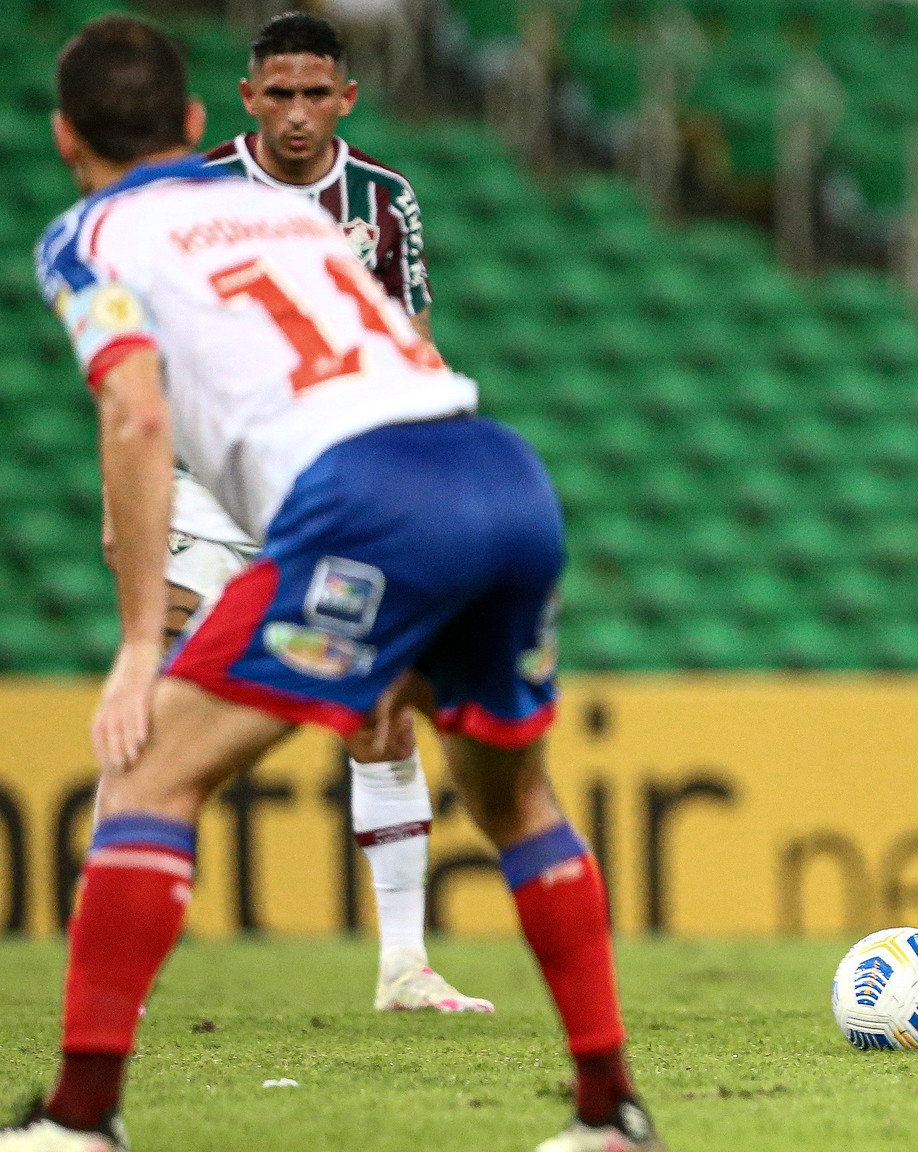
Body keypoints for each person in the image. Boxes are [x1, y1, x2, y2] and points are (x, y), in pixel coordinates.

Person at [7, 16, 660, 1151]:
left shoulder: (89, 233)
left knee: (151, 772)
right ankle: (611, 1110)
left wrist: (129, 645)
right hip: (497, 472)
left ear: (66, 139)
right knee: (514, 801)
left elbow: (135, 409)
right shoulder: (289, 209)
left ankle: (79, 1119)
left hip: (364, 500)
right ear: (209, 120)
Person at [154, 9, 483, 1014]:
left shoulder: (382, 200)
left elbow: (409, 341)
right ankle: (131, 947)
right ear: (249, 98)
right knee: (167, 716)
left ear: (346, 97)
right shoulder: (195, 190)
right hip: (210, 482)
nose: (297, 115)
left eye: (315, 94)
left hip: (330, 486)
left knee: (376, 716)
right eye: (278, 94)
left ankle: (404, 967)